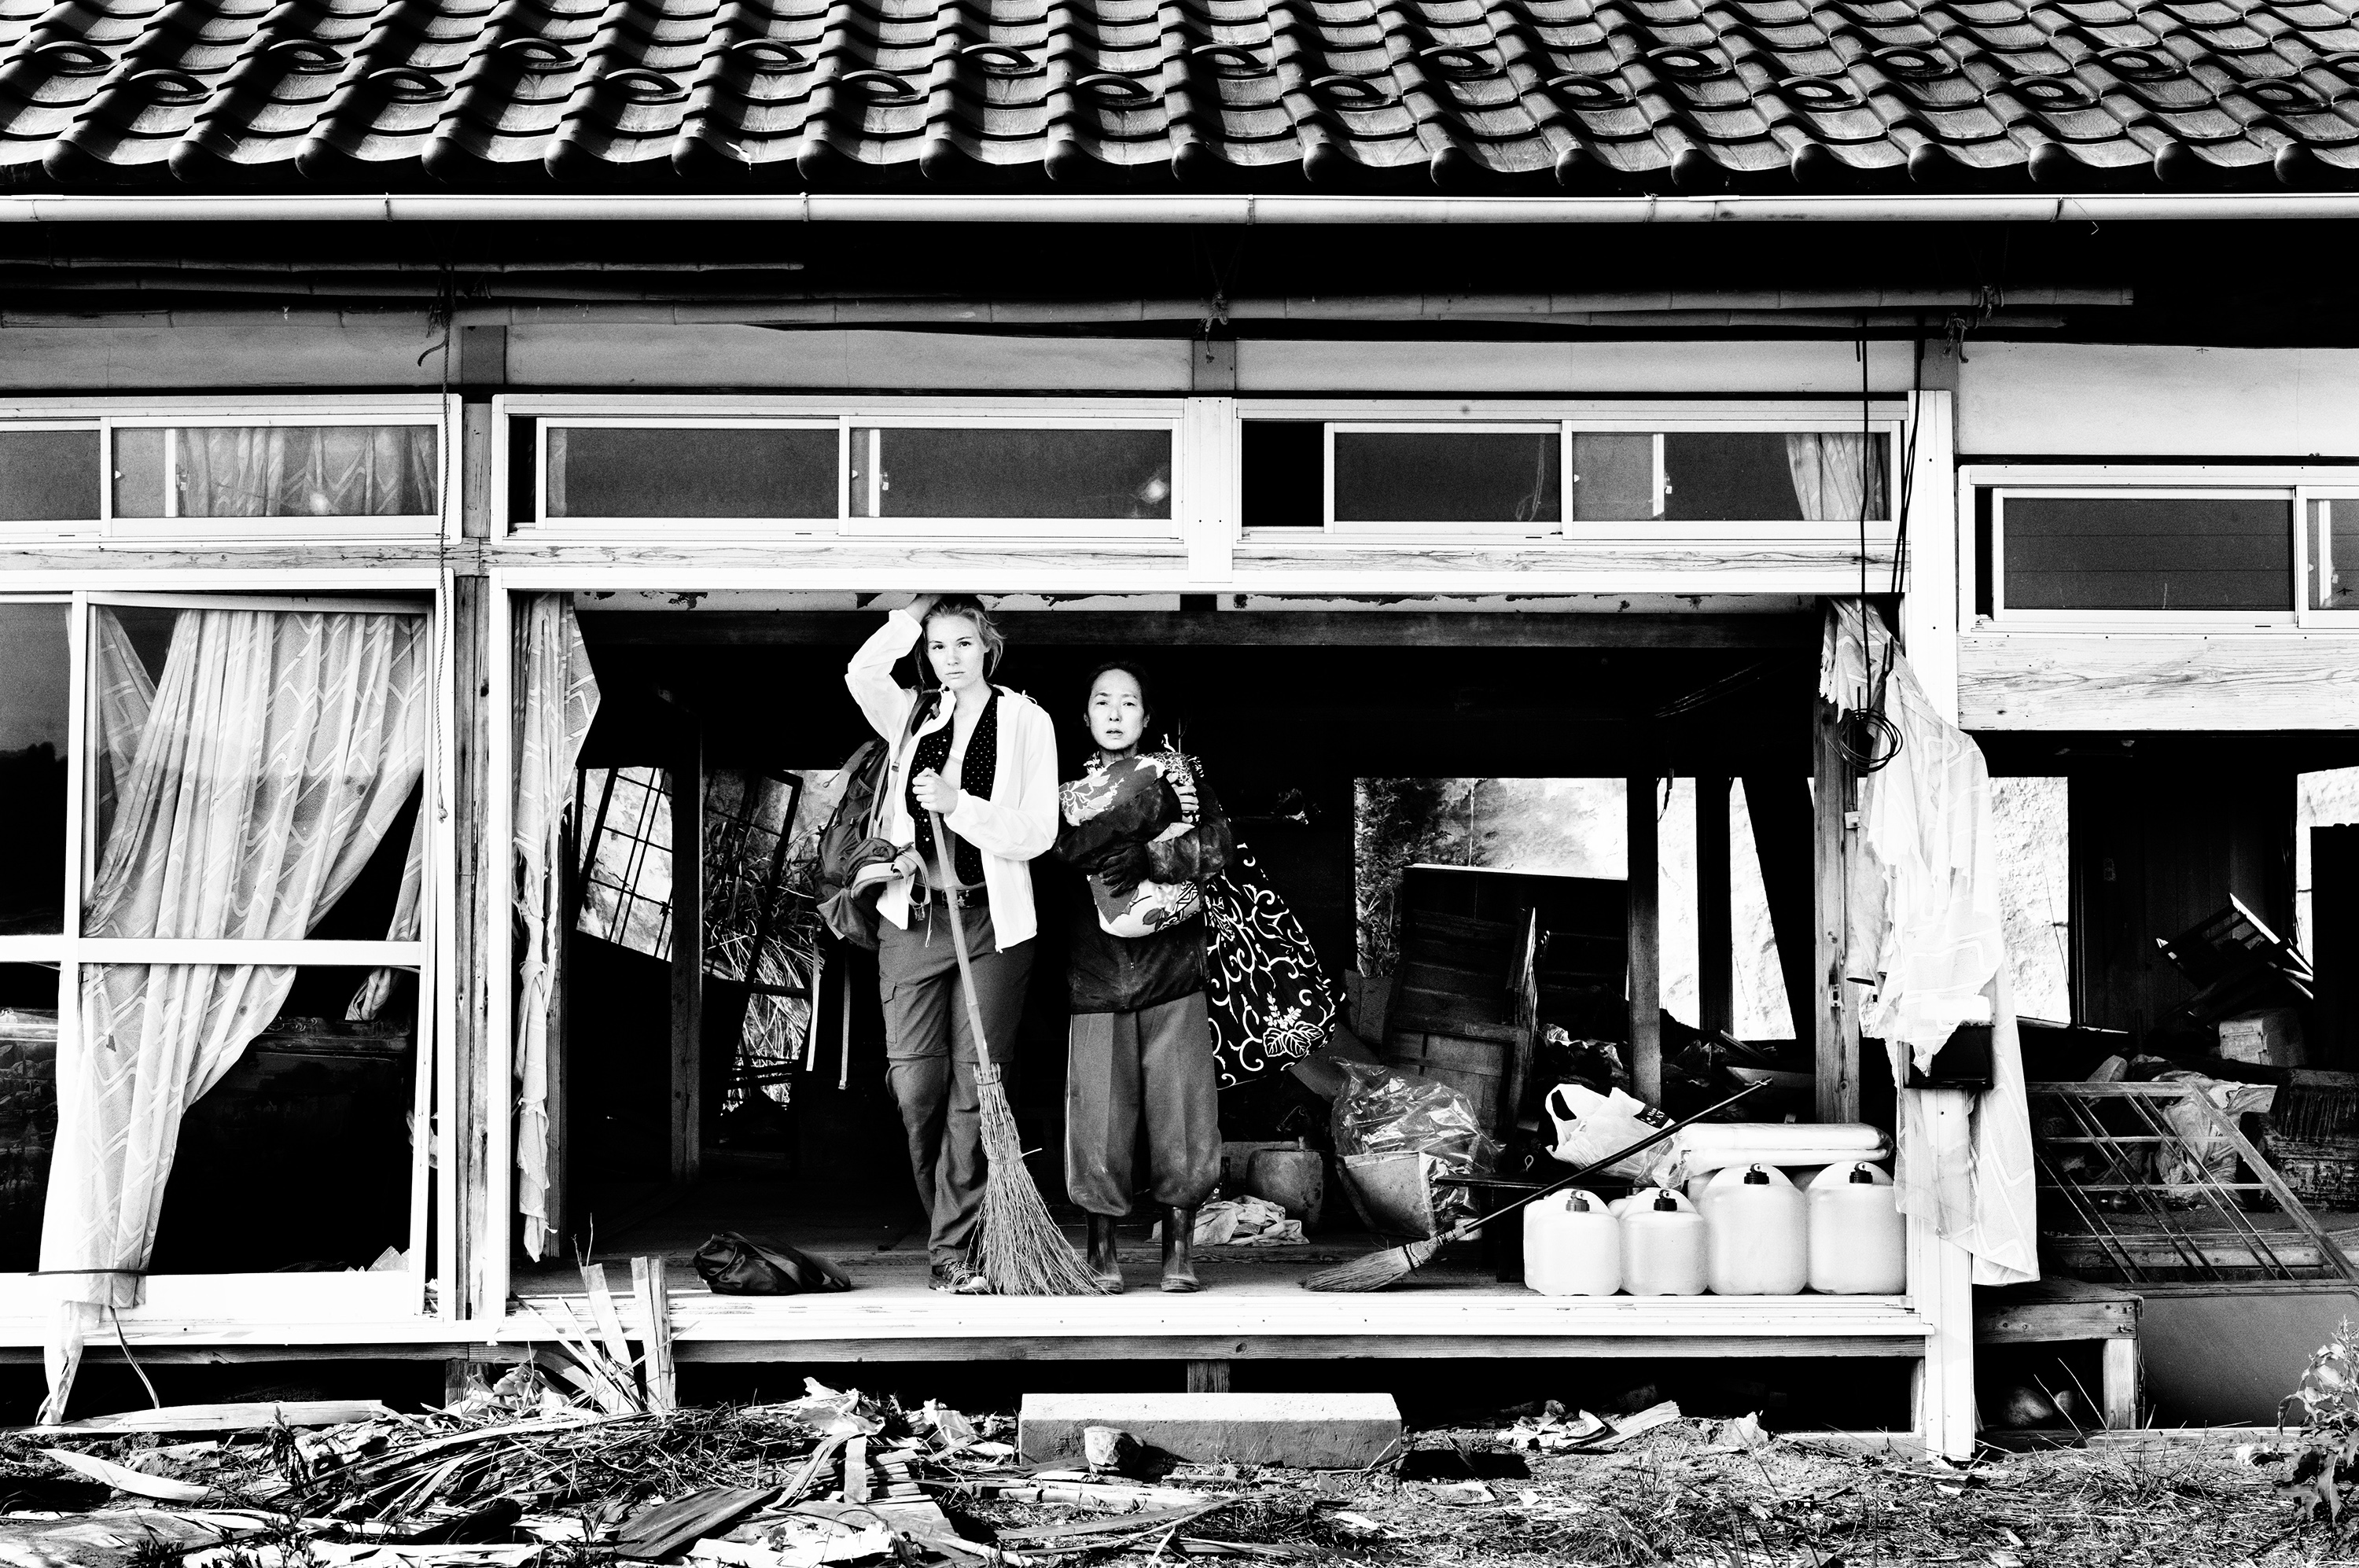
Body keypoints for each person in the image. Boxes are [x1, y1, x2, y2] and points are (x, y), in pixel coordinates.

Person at [845, 594, 1058, 1294]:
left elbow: (1039, 832)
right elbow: (861, 673)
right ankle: (952, 1222)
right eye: (938, 646)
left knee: (976, 1089)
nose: (951, 658)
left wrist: (958, 804)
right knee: (916, 1087)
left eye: (964, 642)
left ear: (988, 645)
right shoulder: (911, 714)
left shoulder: (1027, 721)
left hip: (993, 923)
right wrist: (917, 608)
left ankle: (952, 1250)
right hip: (914, 919)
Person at [1054, 664, 1231, 1294]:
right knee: (1097, 1119)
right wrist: (1133, 820)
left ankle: (1179, 1251)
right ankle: (1101, 1251)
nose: (1114, 713)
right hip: (1096, 976)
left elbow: (1218, 847)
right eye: (1102, 701)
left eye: (1128, 703)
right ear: (1085, 717)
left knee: (1183, 1113)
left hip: (1172, 972)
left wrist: (1151, 856)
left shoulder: (1181, 778)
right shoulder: (1067, 796)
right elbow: (1060, 853)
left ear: (1145, 717)